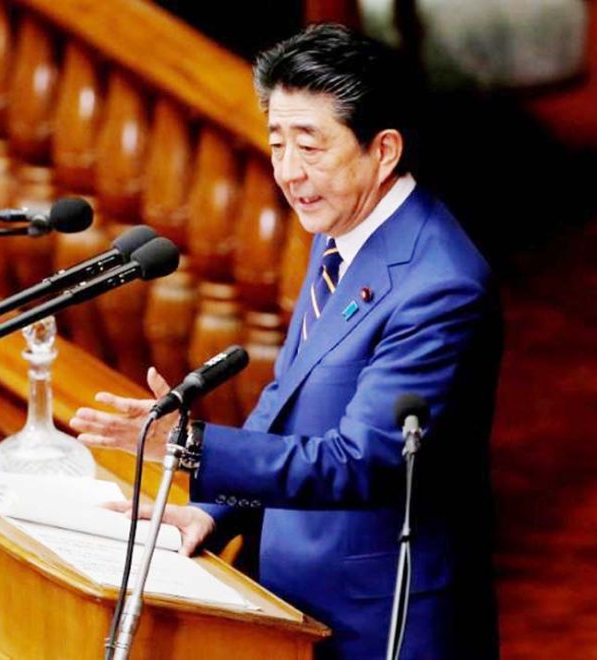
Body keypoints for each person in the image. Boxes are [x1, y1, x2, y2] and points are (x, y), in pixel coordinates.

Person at [70, 23, 500, 660]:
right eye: (278, 145)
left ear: (382, 151)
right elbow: (288, 396)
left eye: (310, 146)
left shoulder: (442, 285)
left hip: (386, 620)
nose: (289, 173)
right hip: (292, 600)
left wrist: (187, 446)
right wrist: (214, 509)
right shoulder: (338, 226)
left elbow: (360, 461)